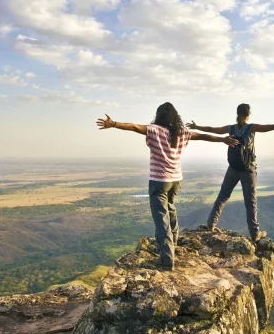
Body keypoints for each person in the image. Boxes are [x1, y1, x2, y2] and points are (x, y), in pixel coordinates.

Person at [96, 103, 238, 270]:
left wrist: (114, 124)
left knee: (161, 219)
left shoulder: (155, 130)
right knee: (170, 208)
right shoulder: (182, 132)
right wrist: (223, 139)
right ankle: (173, 241)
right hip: (176, 180)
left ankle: (167, 260)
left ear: (159, 116)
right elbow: (202, 136)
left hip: (159, 180)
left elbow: (134, 127)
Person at [189, 104, 274, 241]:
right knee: (250, 202)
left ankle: (211, 224)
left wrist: (196, 127)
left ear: (237, 114)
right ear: (248, 115)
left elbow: (212, 130)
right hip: (248, 169)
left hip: (233, 168)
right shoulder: (251, 128)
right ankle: (255, 233)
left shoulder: (230, 128)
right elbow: (272, 126)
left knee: (222, 196)